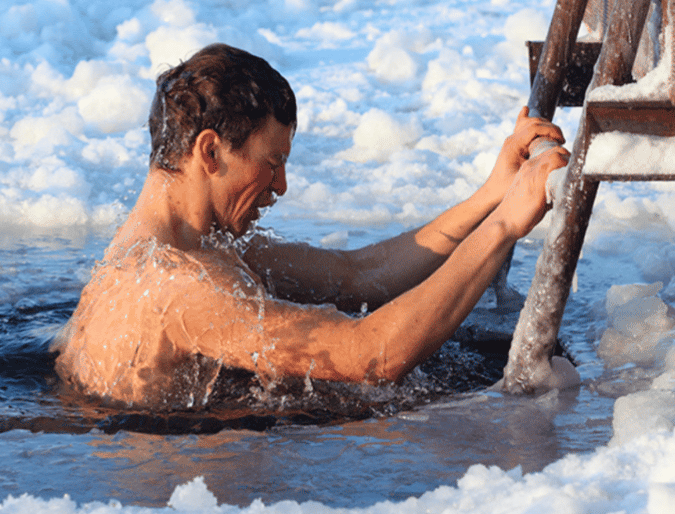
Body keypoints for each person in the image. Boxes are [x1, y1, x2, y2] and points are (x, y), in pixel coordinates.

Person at [53, 43, 570, 408]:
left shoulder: (179, 249)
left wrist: (492, 194)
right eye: (271, 162)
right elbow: (371, 356)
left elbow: (358, 275)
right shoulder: (182, 286)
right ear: (210, 151)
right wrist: (504, 226)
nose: (280, 186)